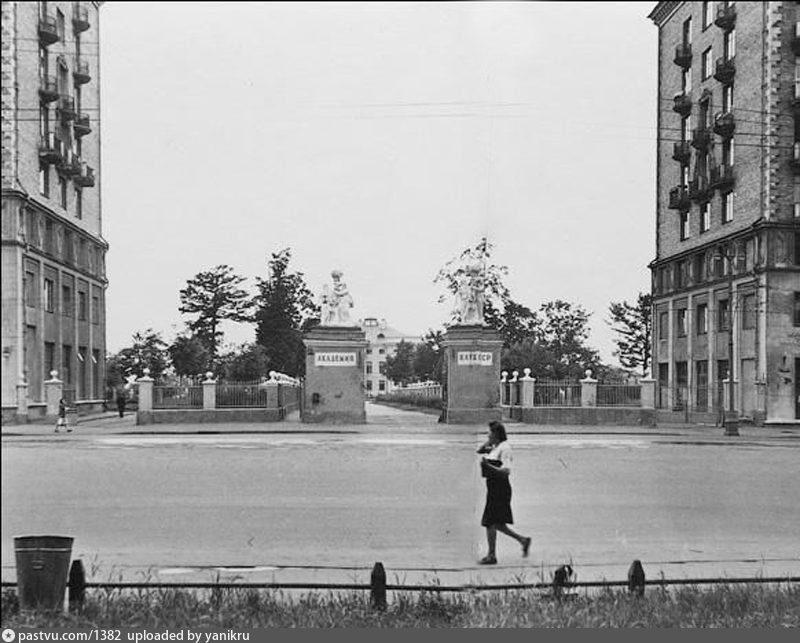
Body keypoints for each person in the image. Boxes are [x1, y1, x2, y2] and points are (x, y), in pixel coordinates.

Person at [477, 420, 531, 564]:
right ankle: (523, 540)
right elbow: (480, 450)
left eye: (490, 432)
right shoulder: (496, 447)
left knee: (489, 522)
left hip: (500, 488)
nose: (487, 434)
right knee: (497, 523)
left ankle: (492, 555)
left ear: (496, 434)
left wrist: (488, 466)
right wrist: (488, 443)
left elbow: (506, 471)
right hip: (493, 487)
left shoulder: (505, 448)